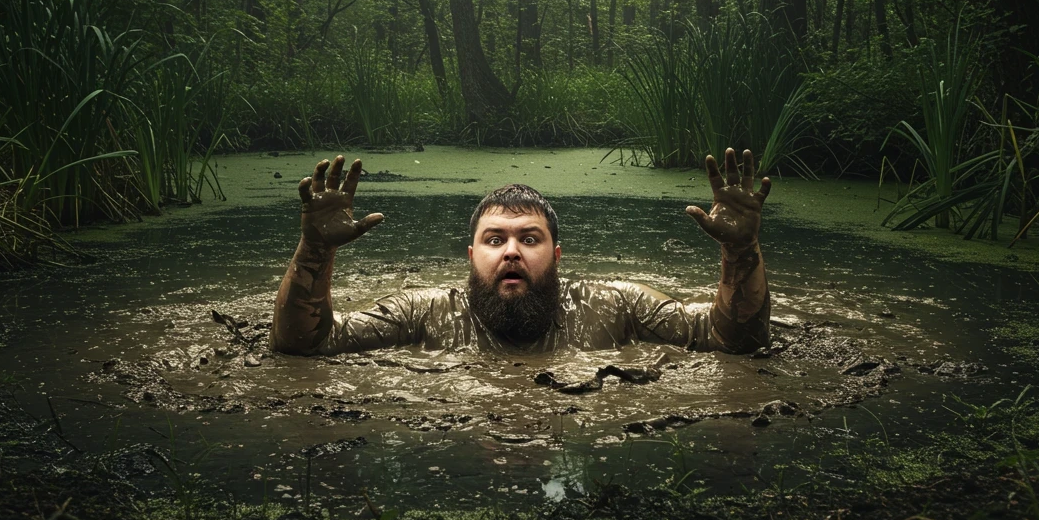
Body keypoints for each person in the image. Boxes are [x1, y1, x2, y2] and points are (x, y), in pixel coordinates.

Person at [271, 148, 771, 356]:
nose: (511, 252)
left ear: (557, 255)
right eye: (495, 240)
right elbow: (306, 345)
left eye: (529, 239)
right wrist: (314, 252)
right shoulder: (424, 312)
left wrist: (741, 251)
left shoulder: (615, 305)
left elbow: (730, 340)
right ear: (471, 256)